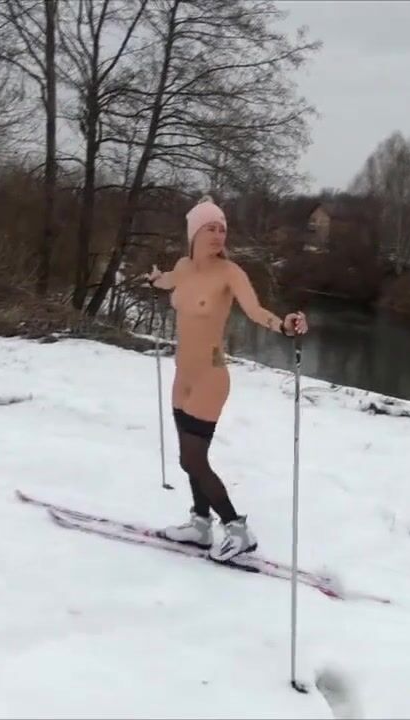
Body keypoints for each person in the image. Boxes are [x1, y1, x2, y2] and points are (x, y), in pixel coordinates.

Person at [145, 195, 309, 563]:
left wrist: (284, 325)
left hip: (211, 374)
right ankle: (200, 524)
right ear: (194, 233)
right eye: (211, 228)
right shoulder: (183, 267)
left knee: (194, 459)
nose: (219, 235)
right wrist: (155, 279)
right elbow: (168, 282)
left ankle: (237, 529)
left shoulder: (230, 273)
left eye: (222, 229)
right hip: (182, 375)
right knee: (189, 459)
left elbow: (256, 311)